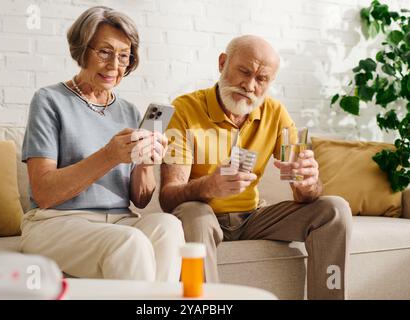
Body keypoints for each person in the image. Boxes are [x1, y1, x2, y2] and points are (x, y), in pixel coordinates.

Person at [159, 35, 352, 299]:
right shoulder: (184, 109)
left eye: (261, 79)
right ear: (222, 63)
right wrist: (209, 186)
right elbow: (169, 197)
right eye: (244, 71)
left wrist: (308, 183)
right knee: (194, 214)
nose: (249, 85)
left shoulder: (275, 113)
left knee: (335, 209)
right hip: (204, 216)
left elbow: (304, 193)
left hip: (252, 217)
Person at [20, 6, 185, 282]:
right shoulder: (49, 100)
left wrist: (146, 163)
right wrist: (109, 155)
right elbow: (45, 193)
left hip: (120, 220)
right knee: (129, 242)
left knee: (169, 226)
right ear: (82, 49)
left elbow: (141, 200)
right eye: (105, 52)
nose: (114, 66)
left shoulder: (129, 111)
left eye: (124, 56)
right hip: (55, 222)